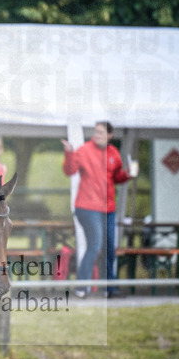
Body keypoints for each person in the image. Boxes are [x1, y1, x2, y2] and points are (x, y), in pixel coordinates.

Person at [61, 121, 137, 299]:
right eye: (96, 132)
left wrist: (128, 174)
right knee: (95, 245)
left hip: (108, 209)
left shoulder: (114, 153)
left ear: (110, 135)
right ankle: (81, 287)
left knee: (110, 247)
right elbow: (69, 170)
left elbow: (117, 177)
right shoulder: (84, 150)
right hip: (87, 208)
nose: (97, 135)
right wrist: (69, 153)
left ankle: (109, 289)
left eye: (101, 132)